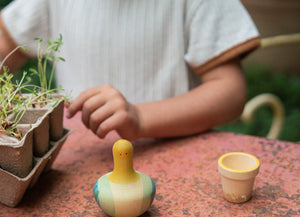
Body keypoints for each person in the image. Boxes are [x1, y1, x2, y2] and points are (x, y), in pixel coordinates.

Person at [0, 0, 260, 141]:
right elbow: (6, 42)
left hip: (173, 152)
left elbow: (230, 91)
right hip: (79, 160)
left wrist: (141, 118)